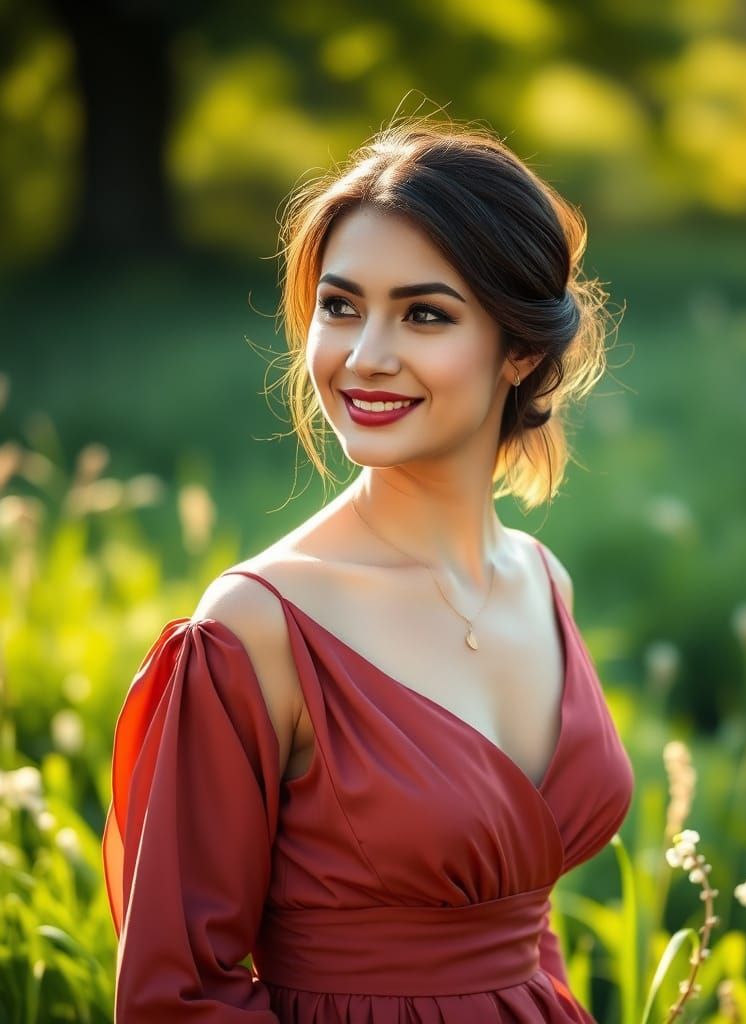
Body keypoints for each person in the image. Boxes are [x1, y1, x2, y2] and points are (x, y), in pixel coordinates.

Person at [101, 112, 635, 1023]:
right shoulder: (257, 625)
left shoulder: (544, 581)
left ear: (520, 350)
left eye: (424, 314)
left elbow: (519, 925)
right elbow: (174, 993)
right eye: (340, 307)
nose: (365, 356)